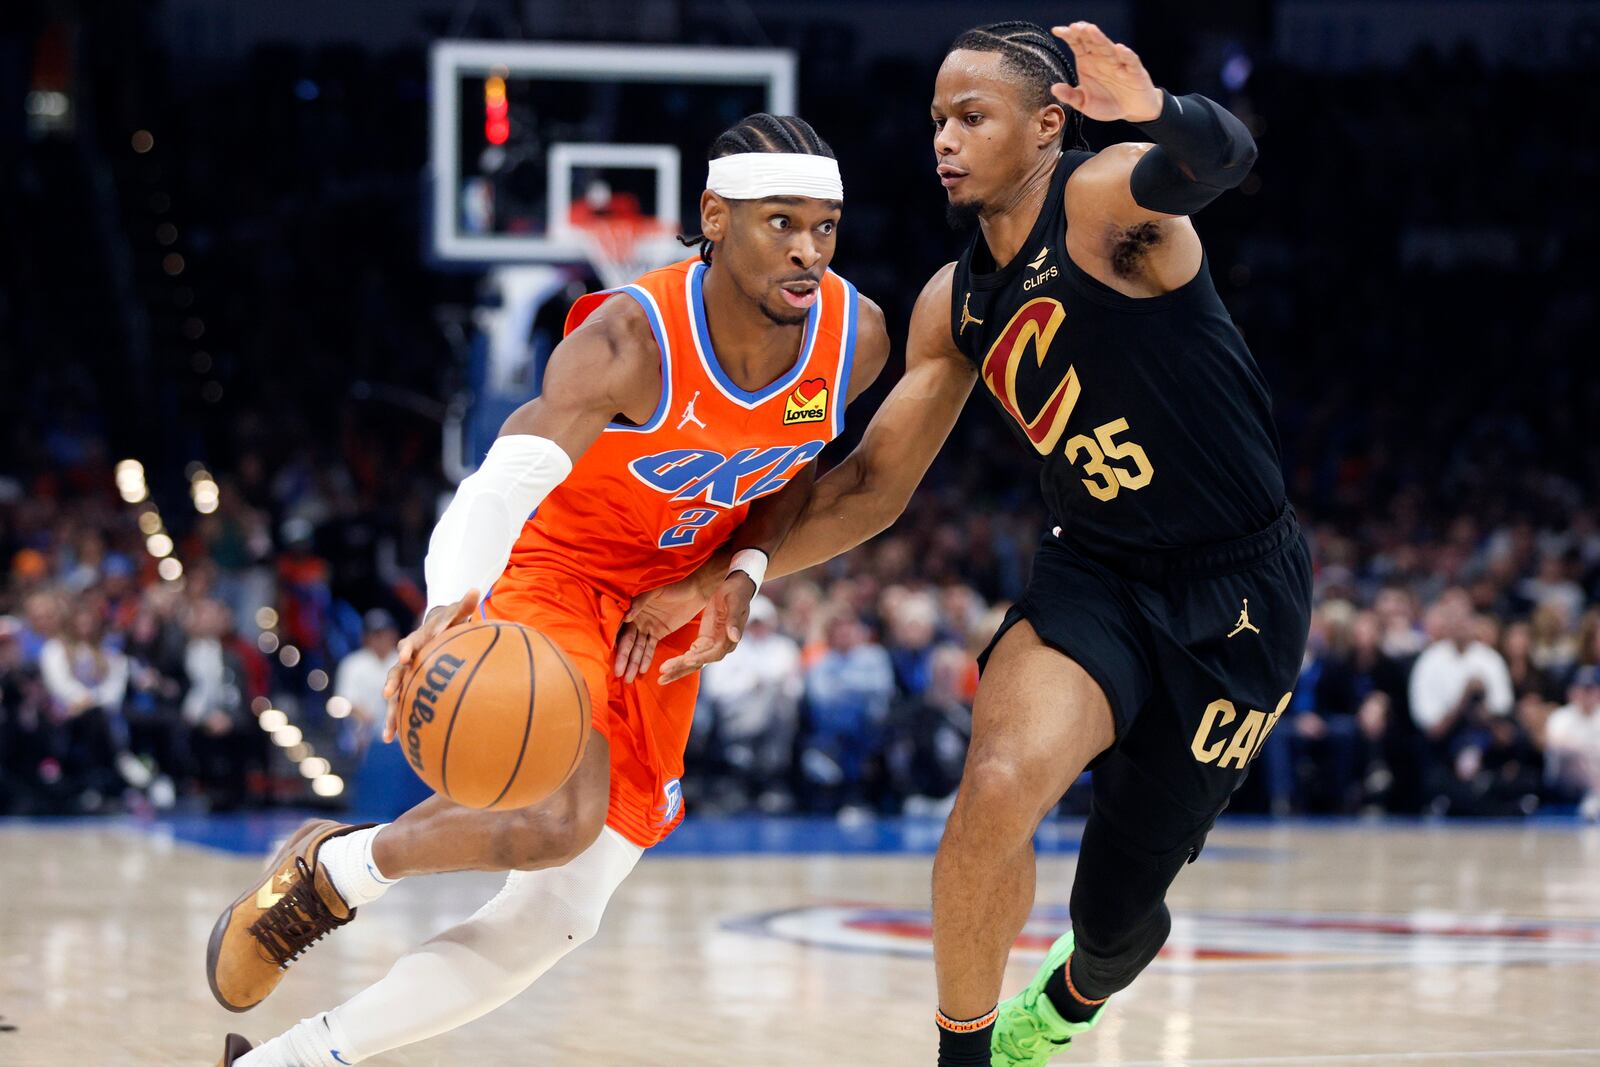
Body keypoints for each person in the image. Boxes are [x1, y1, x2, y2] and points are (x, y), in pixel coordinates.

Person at [626, 21, 1310, 1065]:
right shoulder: (953, 304)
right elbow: (866, 482)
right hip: (1096, 572)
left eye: (971, 116)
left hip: (1241, 587)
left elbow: (1223, 160)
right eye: (937, 118)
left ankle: (1076, 992)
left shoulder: (1103, 199)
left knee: (1117, 917)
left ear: (1048, 124)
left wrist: (1154, 110)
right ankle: (965, 1055)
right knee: (993, 784)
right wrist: (737, 569)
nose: (943, 138)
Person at [204, 113, 889, 1066]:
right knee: (554, 820)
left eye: (825, 226)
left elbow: (792, 471)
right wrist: (452, 600)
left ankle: (291, 1060)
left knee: (563, 912)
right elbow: (507, 476)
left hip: (668, 608)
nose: (808, 251)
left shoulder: (853, 337)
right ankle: (339, 868)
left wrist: (736, 572)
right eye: (782, 222)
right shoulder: (628, 339)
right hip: (559, 571)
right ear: (715, 217)